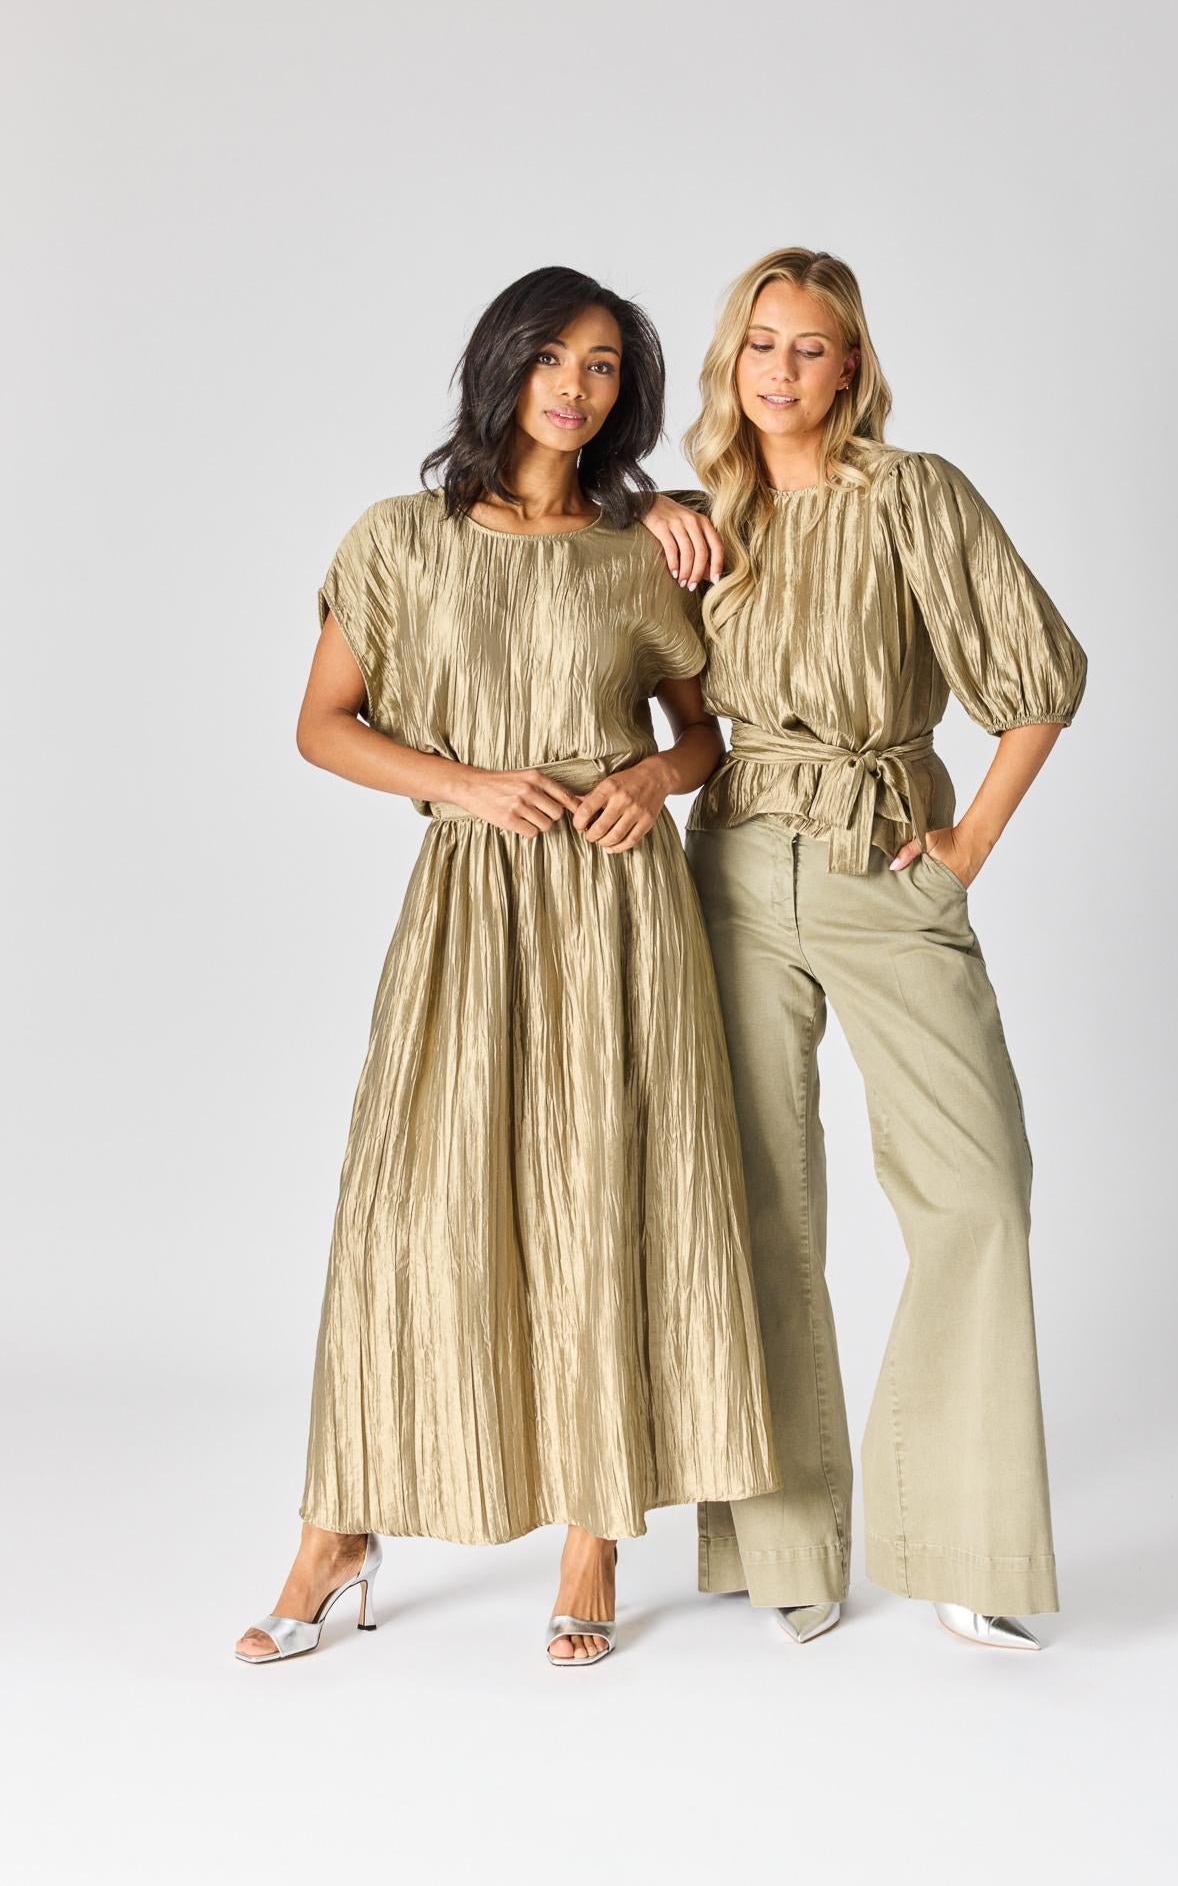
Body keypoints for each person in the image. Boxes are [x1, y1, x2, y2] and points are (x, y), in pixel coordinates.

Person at [234, 267, 778, 1670]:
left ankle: (596, 1533)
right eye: (550, 357)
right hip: (471, 902)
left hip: (617, 904)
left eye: (602, 366)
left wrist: (650, 779)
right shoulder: (399, 539)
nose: (573, 387)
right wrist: (465, 785)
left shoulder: (637, 550)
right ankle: (336, 1532)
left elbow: (701, 738)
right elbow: (322, 724)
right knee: (410, 1214)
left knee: (602, 1196)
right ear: (502, 365)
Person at [642, 246, 1088, 1650]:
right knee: (759, 1204)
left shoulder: (912, 494)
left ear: (851, 367)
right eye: (759, 342)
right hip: (731, 860)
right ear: (732, 359)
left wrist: (965, 848)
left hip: (882, 857)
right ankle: (783, 1548)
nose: (780, 369)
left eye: (810, 346)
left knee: (977, 1190)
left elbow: (1037, 680)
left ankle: (960, 1540)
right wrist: (645, 508)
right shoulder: (695, 516)